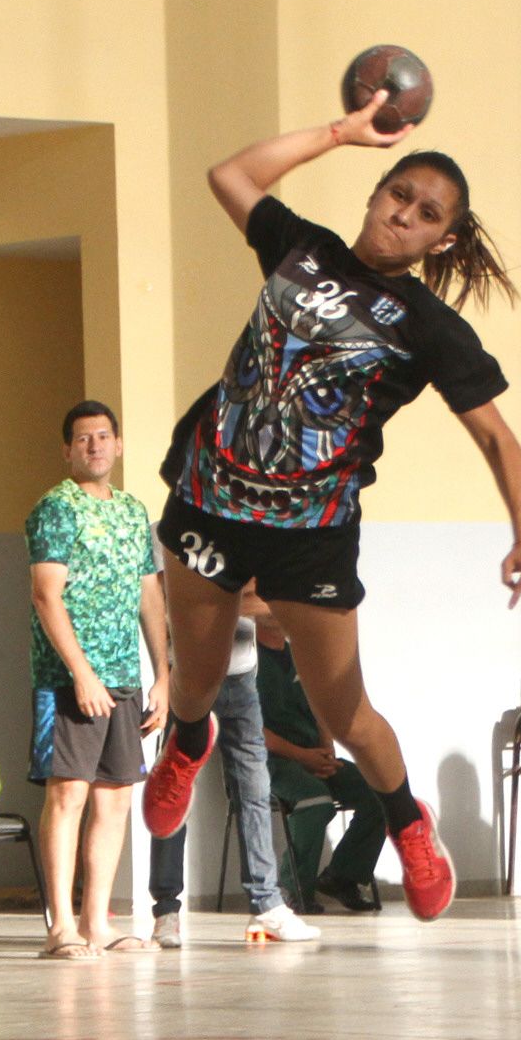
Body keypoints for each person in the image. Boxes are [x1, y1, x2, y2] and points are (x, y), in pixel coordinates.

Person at [141, 89, 521, 924]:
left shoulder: (427, 327)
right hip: (210, 495)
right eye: (398, 195)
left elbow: (496, 437)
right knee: (195, 681)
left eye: (426, 214)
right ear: (375, 194)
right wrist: (339, 132)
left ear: (442, 240)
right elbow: (229, 175)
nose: (403, 214)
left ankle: (407, 820)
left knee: (346, 715)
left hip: (309, 530)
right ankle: (187, 745)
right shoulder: (302, 248)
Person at [28, 400, 169, 960]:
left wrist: (163, 675)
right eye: (84, 438)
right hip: (68, 679)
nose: (95, 446)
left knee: (115, 800)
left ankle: (97, 924)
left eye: (104, 436)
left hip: (125, 676)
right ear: (68, 449)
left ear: (119, 445)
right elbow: (46, 595)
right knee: (68, 795)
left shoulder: (133, 512)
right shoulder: (56, 508)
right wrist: (81, 673)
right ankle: (61, 926)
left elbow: (150, 594)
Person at [147, 597, 320, 946]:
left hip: (241, 678)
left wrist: (225, 601)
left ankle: (266, 905)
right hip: (188, 675)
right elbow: (162, 596)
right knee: (175, 788)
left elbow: (275, 606)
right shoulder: (177, 556)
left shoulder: (251, 560)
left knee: (255, 789)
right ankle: (166, 911)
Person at [254, 612, 385, 913]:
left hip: (312, 755)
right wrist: (302, 756)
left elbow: (320, 706)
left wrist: (326, 749)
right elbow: (250, 730)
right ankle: (293, 888)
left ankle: (342, 877)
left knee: (380, 793)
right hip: (270, 763)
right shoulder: (248, 660)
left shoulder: (302, 655)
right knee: (315, 801)